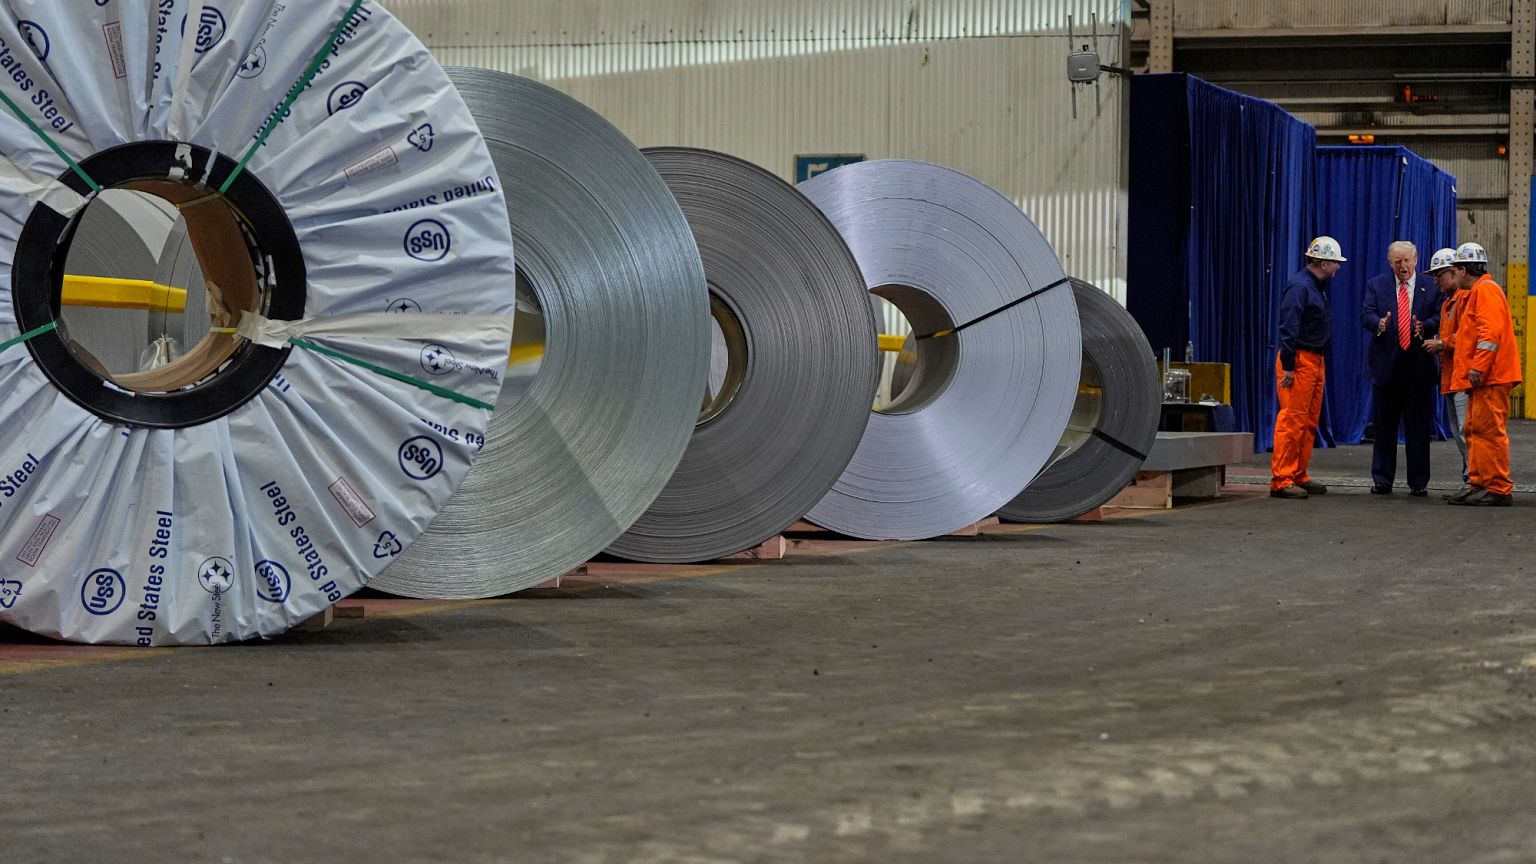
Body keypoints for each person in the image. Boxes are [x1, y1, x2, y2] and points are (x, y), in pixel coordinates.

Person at [1360, 241, 1440, 495]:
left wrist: (1425, 326)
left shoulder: (1432, 287)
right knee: (1384, 427)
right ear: (1389, 263)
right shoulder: (1377, 285)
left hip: (1418, 366)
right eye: (1397, 262)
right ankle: (1382, 479)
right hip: (1387, 366)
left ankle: (1418, 482)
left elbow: (1441, 315)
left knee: (1418, 428)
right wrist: (1379, 324)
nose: (1402, 266)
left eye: (1406, 260)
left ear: (1416, 260)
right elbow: (1366, 314)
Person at [1446, 242, 1519, 506]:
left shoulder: (1486, 291)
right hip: (1483, 378)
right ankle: (1478, 483)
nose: (1454, 275)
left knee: (1489, 431)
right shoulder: (1480, 291)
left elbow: (1490, 335)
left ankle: (1498, 488)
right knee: (1475, 430)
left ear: (1464, 269)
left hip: (1490, 377)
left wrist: (1478, 367)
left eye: (1456, 270)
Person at [1271, 236, 1345, 499]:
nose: (1338, 267)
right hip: (1299, 360)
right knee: (1292, 420)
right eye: (1335, 263)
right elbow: (1288, 327)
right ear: (1324, 263)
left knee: (1309, 422)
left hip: (1314, 360)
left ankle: (1298, 473)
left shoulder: (1316, 286)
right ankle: (1282, 478)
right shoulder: (1300, 287)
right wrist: (1289, 366)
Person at [1420, 248, 1470, 497]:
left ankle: (1475, 481)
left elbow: (1469, 336)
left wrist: (1441, 343)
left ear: (1455, 272)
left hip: (1464, 378)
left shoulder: (1466, 299)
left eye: (1439, 275)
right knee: (1458, 431)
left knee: (1466, 431)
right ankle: (1470, 479)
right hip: (1452, 376)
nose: (1435, 280)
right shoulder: (1449, 302)